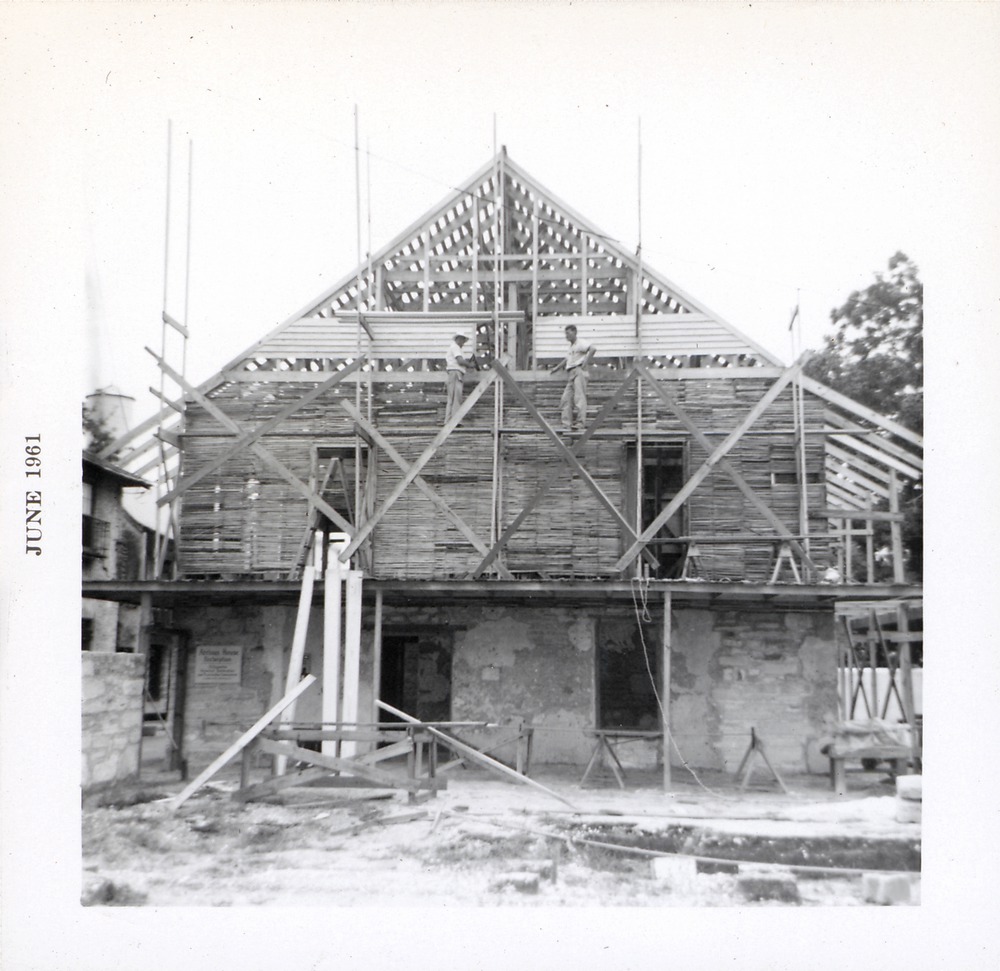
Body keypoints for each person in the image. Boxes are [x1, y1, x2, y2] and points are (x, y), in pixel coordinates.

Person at [551, 324, 595, 432]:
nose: (567, 335)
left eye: (569, 333)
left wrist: (585, 362)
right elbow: (567, 359)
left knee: (579, 397)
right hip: (571, 372)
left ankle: (580, 423)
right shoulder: (571, 347)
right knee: (566, 398)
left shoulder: (580, 343)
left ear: (575, 332)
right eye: (565, 333)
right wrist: (556, 368)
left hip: (579, 371)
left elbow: (593, 349)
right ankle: (566, 424)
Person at [444, 333, 471, 421]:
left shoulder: (455, 348)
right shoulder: (455, 347)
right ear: (459, 339)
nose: (463, 343)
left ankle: (449, 420)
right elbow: (460, 361)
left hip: (453, 373)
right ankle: (455, 421)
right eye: (462, 340)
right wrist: (470, 365)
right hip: (456, 373)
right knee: (456, 397)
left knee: (452, 397)